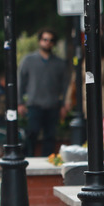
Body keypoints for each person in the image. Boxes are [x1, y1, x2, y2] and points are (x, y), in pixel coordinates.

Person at [18, 29, 67, 157]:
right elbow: (20, 82)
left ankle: (48, 160)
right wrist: (19, 103)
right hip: (34, 104)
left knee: (50, 136)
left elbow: (65, 86)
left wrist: (63, 105)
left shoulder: (59, 63)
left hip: (53, 105)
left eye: (51, 40)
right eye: (45, 40)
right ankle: (28, 159)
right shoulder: (28, 60)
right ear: (40, 41)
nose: (47, 43)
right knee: (31, 133)